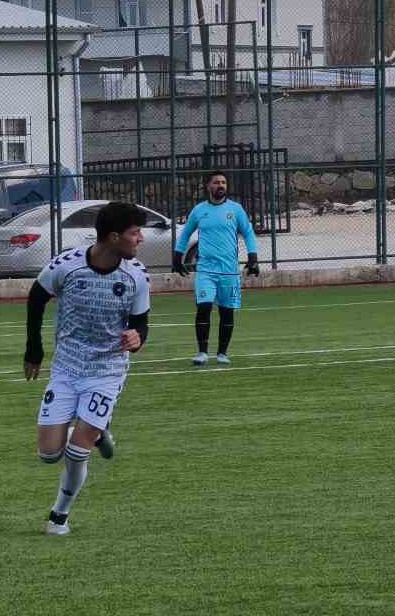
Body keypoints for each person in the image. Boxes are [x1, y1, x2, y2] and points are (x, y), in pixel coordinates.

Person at [23, 202, 151, 536]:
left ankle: (59, 516)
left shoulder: (136, 275)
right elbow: (36, 298)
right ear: (113, 237)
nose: (141, 239)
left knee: (77, 451)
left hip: (107, 370)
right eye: (135, 232)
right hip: (66, 368)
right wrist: (34, 349)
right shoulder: (67, 265)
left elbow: (141, 324)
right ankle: (97, 432)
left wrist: (137, 338)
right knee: (49, 455)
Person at [172, 171, 259, 366]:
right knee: (203, 308)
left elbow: (249, 233)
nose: (221, 185)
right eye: (216, 182)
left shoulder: (236, 210)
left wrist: (253, 257)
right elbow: (185, 234)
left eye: (223, 182)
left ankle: (222, 353)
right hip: (205, 270)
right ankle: (202, 352)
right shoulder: (199, 210)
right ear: (208, 186)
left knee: (226, 312)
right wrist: (178, 256)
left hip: (229, 271)